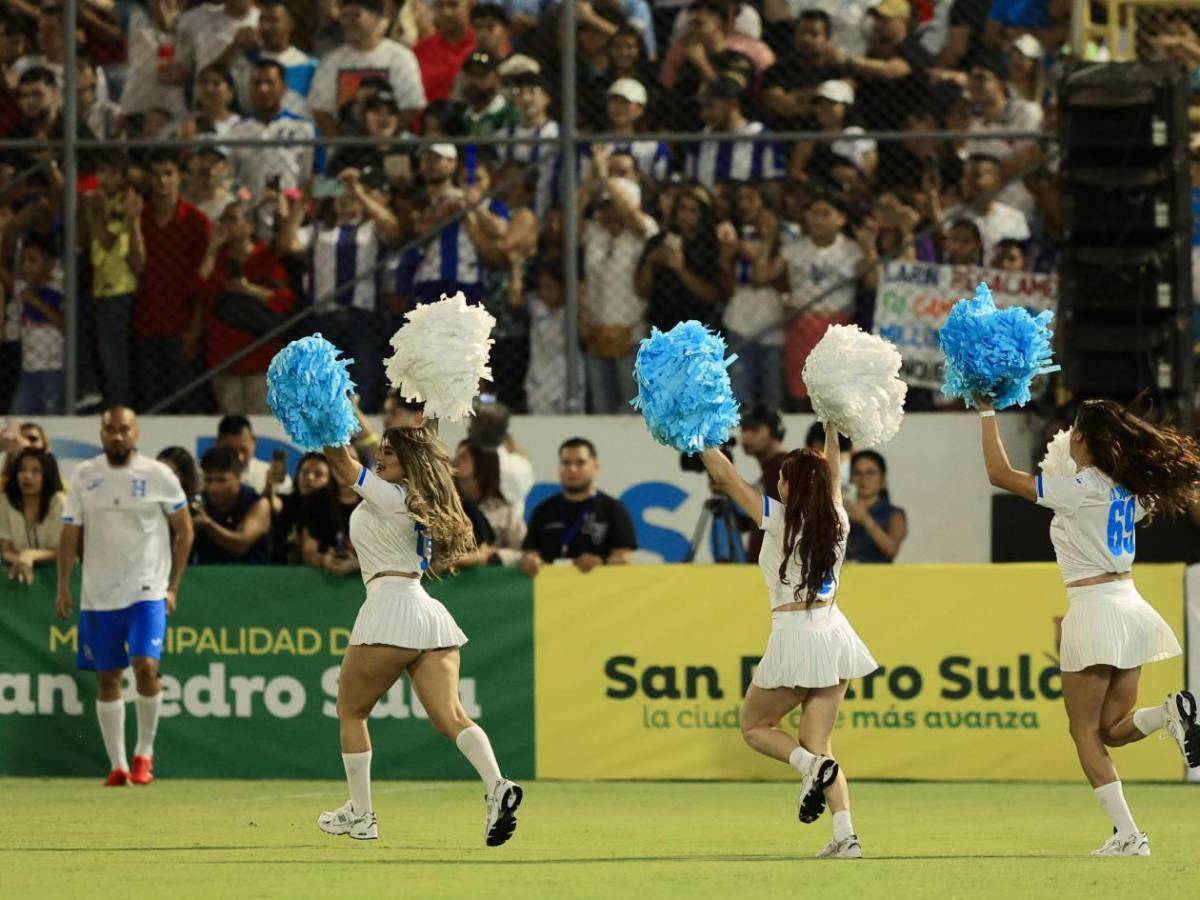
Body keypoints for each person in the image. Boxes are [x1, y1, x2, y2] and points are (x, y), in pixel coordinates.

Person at [977, 397, 1200, 855]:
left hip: (1095, 608)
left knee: (1083, 732)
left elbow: (1000, 475)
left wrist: (985, 412)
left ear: (1080, 437)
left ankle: (1129, 835)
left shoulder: (1080, 487)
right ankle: (1169, 714)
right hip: (1131, 605)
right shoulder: (1128, 488)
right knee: (1111, 729)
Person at [316, 425, 524, 845]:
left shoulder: (391, 496)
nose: (381, 457)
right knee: (452, 716)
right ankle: (497, 784)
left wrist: (321, 418)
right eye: (383, 451)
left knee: (351, 713)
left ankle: (362, 814)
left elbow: (341, 462)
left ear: (410, 462)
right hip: (428, 614)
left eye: (390, 453)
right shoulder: (416, 499)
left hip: (389, 608)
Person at [697, 423, 876, 859]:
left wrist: (696, 436)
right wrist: (832, 426)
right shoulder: (839, 516)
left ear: (792, 486)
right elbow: (835, 472)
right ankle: (846, 835)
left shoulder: (778, 519)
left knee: (756, 727)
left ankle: (810, 767)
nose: (776, 482)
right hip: (834, 633)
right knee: (820, 741)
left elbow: (728, 478)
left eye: (781, 478)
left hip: (796, 635)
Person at [55, 407, 194, 786]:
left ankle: (144, 754)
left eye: (124, 430)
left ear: (136, 433)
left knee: (146, 666)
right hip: (99, 594)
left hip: (146, 589)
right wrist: (63, 584)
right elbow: (69, 534)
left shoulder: (159, 475)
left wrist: (172, 586)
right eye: (110, 430)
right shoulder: (85, 475)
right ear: (102, 433)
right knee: (108, 677)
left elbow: (185, 530)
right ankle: (117, 765)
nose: (117, 436)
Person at [518, 437, 637, 576]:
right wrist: (530, 560)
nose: (572, 469)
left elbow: (624, 557)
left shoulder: (613, 509)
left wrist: (600, 562)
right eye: (566, 463)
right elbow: (530, 552)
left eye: (580, 463)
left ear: (596, 466)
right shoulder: (543, 510)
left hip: (598, 591)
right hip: (551, 591)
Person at [191, 446, 271, 565]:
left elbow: (240, 545)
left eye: (221, 480)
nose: (213, 488)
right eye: (208, 480)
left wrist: (206, 523)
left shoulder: (258, 504)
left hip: (252, 579)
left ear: (238, 477)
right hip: (206, 580)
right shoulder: (197, 503)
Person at [455, 440, 526, 564]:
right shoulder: (446, 506)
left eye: (463, 457)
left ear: (481, 463)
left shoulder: (504, 512)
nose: (455, 461)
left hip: (488, 580)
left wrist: (491, 556)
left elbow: (525, 553)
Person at [0, 447, 63, 584]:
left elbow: (67, 551)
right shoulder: (4, 502)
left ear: (47, 475)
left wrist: (30, 555)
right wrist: (22, 562)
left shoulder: (60, 503)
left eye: (36, 471)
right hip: (18, 575)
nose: (27, 476)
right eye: (22, 470)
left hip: (57, 578)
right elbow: (5, 550)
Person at [844, 450, 906, 563]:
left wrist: (865, 519)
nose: (863, 479)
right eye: (857, 473)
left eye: (870, 472)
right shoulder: (841, 510)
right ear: (851, 479)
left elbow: (892, 550)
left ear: (882, 480)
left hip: (878, 577)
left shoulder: (894, 514)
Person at [216, 415, 293, 496]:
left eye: (244, 450)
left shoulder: (275, 479)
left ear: (254, 441)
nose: (239, 457)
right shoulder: (203, 478)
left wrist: (269, 488)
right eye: (231, 451)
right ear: (218, 444)